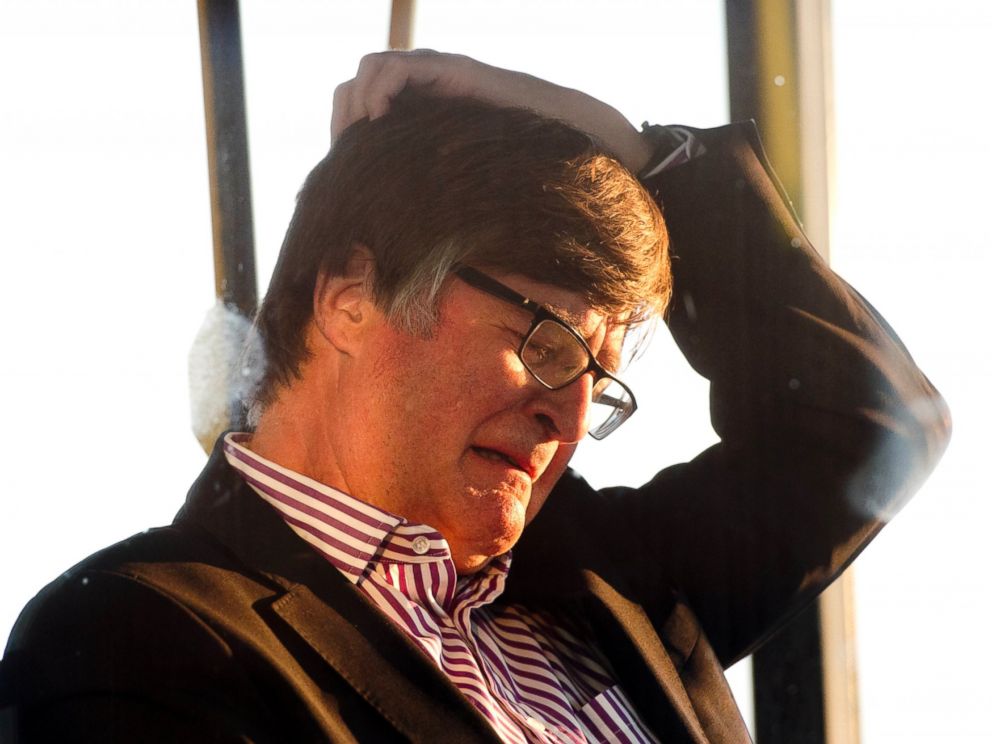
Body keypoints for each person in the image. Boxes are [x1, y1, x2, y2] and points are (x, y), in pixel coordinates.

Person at [0, 51, 950, 743]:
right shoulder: (136, 640)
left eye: (600, 379)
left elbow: (871, 422)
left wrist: (629, 147)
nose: (573, 418)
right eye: (546, 345)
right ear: (350, 295)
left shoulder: (613, 586)